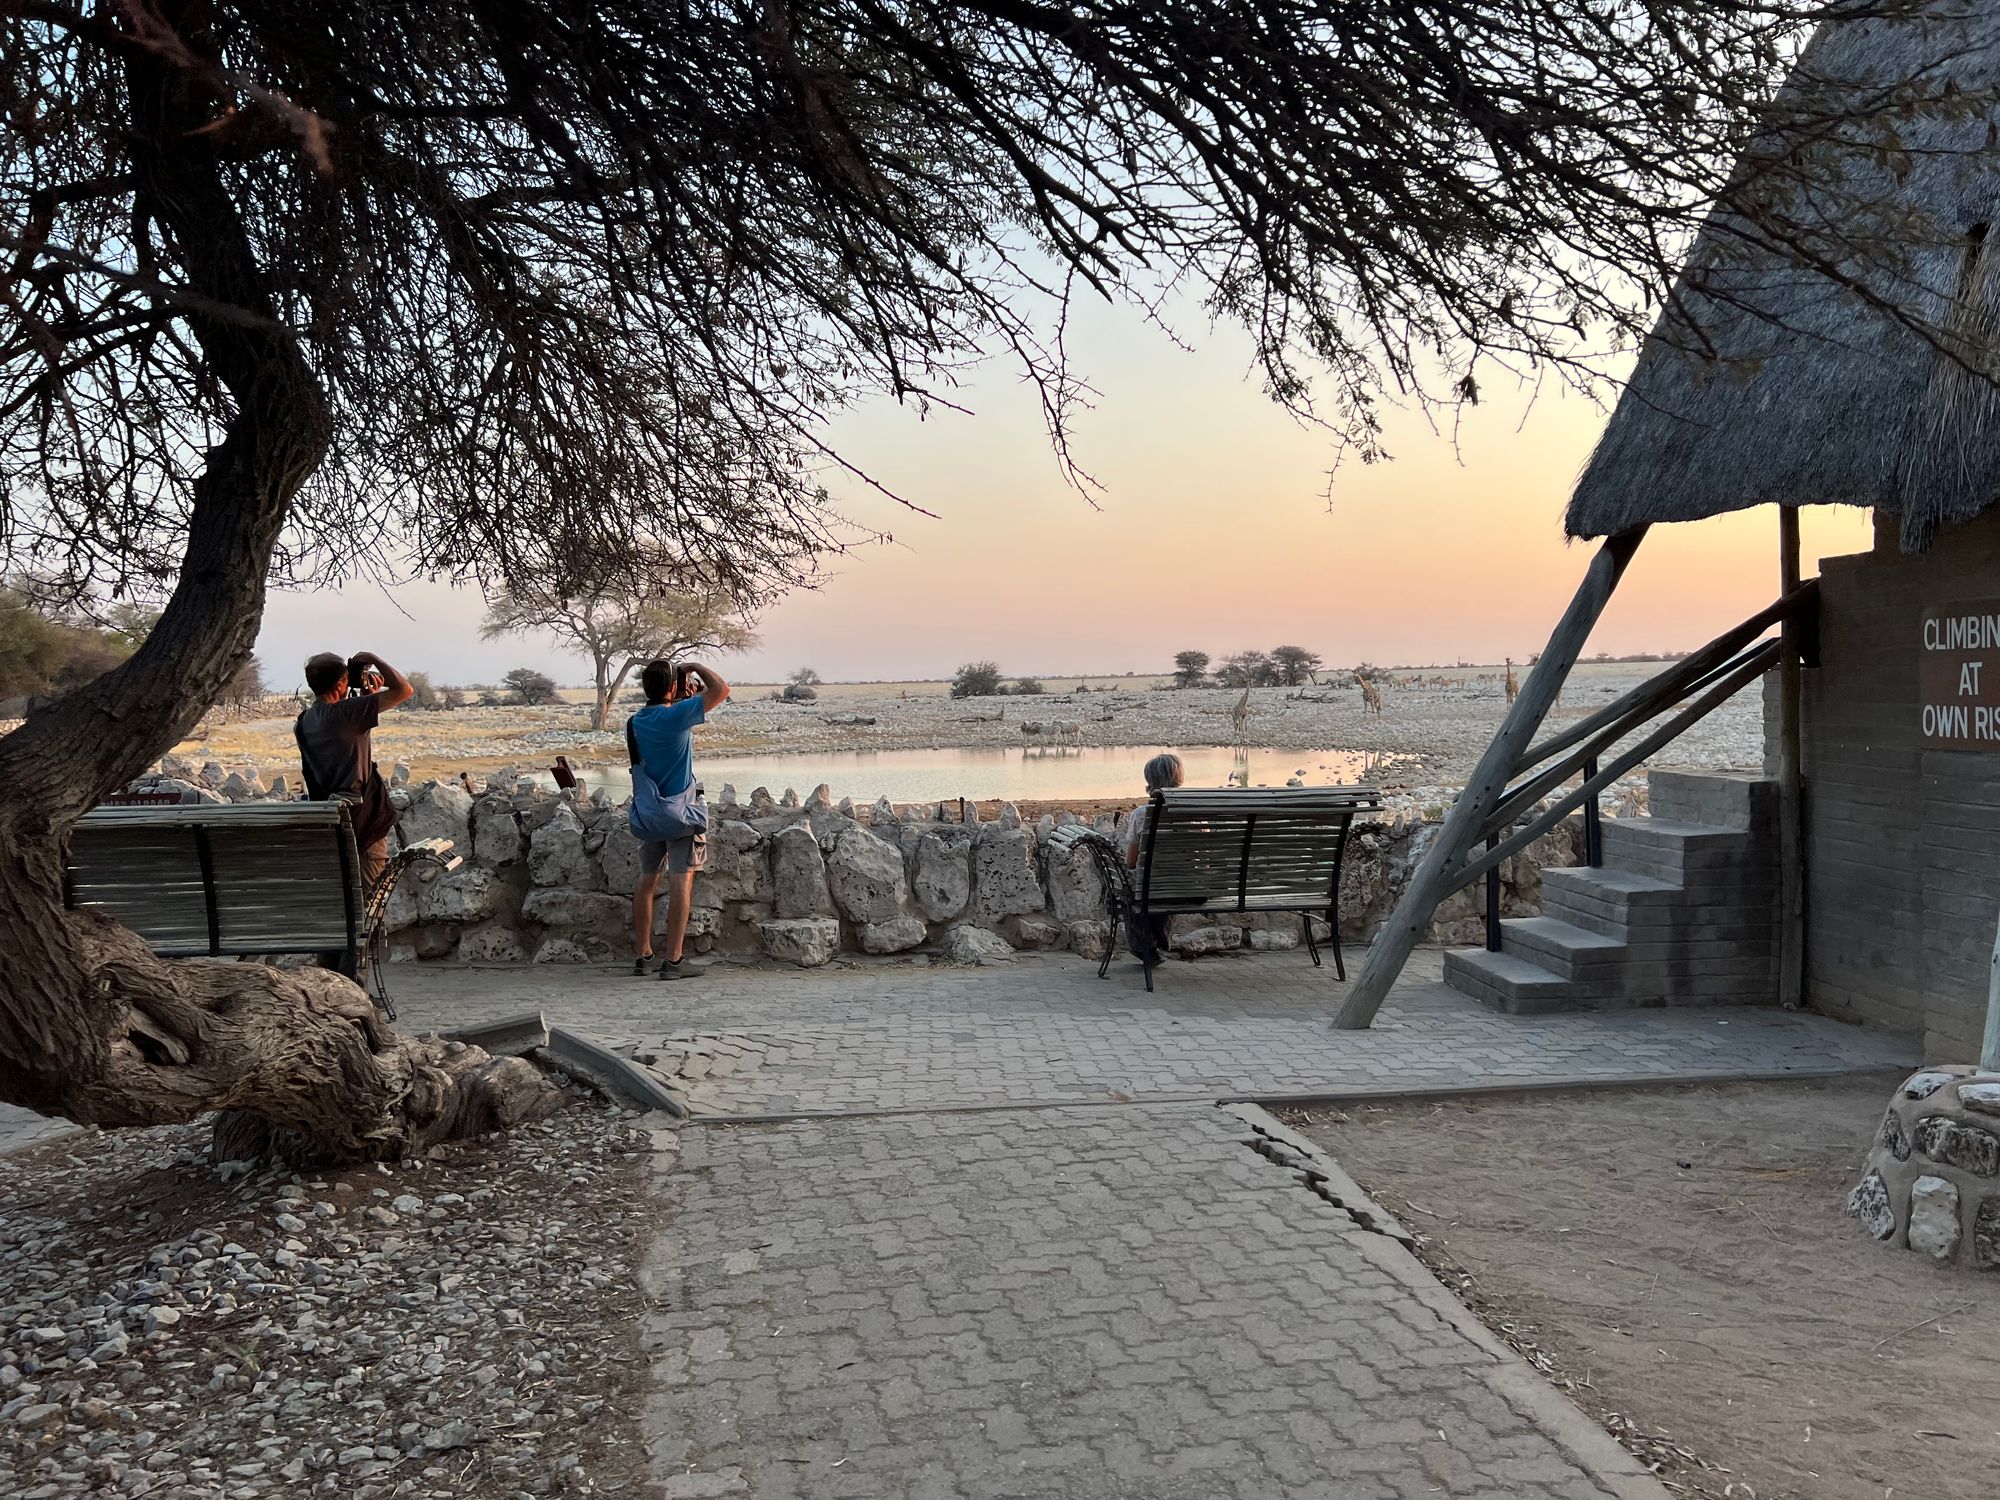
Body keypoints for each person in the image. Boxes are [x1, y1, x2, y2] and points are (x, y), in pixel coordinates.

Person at [627, 657, 731, 979]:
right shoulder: (677, 717)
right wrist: (695, 666)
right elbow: (721, 689)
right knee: (681, 882)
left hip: (648, 813)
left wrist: (678, 688)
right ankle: (673, 961)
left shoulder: (635, 722)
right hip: (681, 815)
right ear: (672, 687)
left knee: (646, 882)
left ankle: (643, 955)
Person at [295, 650, 412, 884]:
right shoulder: (350, 713)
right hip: (363, 822)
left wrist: (365, 699)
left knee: (348, 899)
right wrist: (373, 657)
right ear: (341, 683)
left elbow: (341, 727)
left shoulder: (305, 721)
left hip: (333, 826)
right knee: (369, 901)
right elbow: (404, 690)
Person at [1118, 752, 1185, 869]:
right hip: (1193, 883)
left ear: (1149, 779)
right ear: (1179, 777)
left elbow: (1130, 862)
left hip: (1152, 885)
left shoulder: (1140, 815)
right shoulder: (1196, 812)